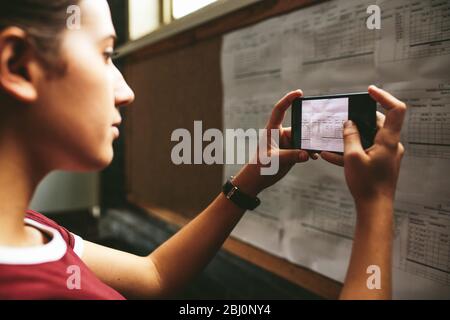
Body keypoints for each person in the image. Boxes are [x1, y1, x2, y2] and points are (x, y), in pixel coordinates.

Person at [0, 0, 406, 300]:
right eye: (106, 54)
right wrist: (376, 204)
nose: (126, 92)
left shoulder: (31, 229)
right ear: (18, 65)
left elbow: (153, 275)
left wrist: (250, 180)